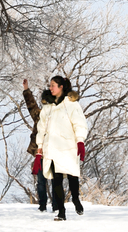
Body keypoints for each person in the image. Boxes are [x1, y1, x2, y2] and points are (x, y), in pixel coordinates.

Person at [36, 76, 88, 221]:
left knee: (72, 177)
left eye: (53, 85)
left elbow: (79, 123)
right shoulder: (47, 107)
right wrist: (40, 146)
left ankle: (76, 200)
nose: (50, 88)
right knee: (56, 180)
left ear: (61, 87)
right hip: (51, 148)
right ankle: (61, 212)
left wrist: (80, 141)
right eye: (50, 85)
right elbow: (41, 128)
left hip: (68, 147)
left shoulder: (71, 104)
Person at [22, 79, 58, 212]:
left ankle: (56, 205)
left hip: (55, 153)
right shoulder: (39, 116)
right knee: (41, 181)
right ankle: (42, 205)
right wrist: (26, 90)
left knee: (55, 181)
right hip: (41, 153)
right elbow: (31, 105)